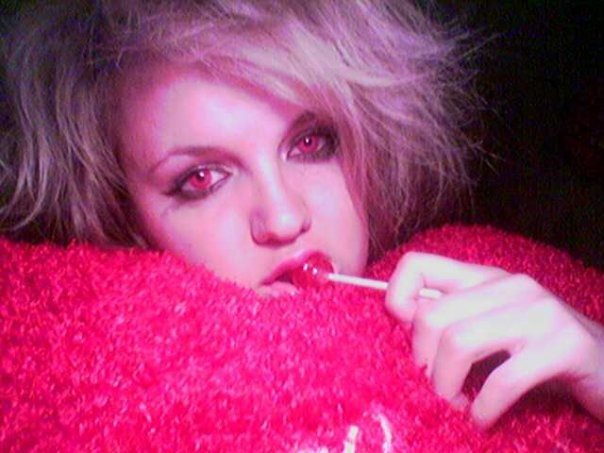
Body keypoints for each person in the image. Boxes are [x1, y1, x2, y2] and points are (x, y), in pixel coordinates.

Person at [0, 0, 602, 430]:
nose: (284, 219)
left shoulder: (498, 281)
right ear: (124, 217)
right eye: (201, 178)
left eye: (311, 143)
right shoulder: (88, 384)